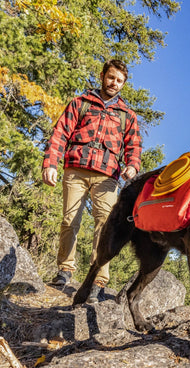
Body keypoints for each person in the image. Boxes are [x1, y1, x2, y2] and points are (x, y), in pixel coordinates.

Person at [42, 59, 141, 303]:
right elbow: (60, 133)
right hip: (75, 170)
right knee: (69, 220)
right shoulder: (81, 103)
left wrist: (132, 165)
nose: (114, 83)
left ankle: (98, 278)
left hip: (107, 176)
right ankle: (65, 269)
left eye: (119, 80)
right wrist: (51, 164)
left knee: (105, 225)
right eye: (111, 77)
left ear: (123, 84)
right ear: (102, 76)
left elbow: (134, 146)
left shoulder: (127, 115)